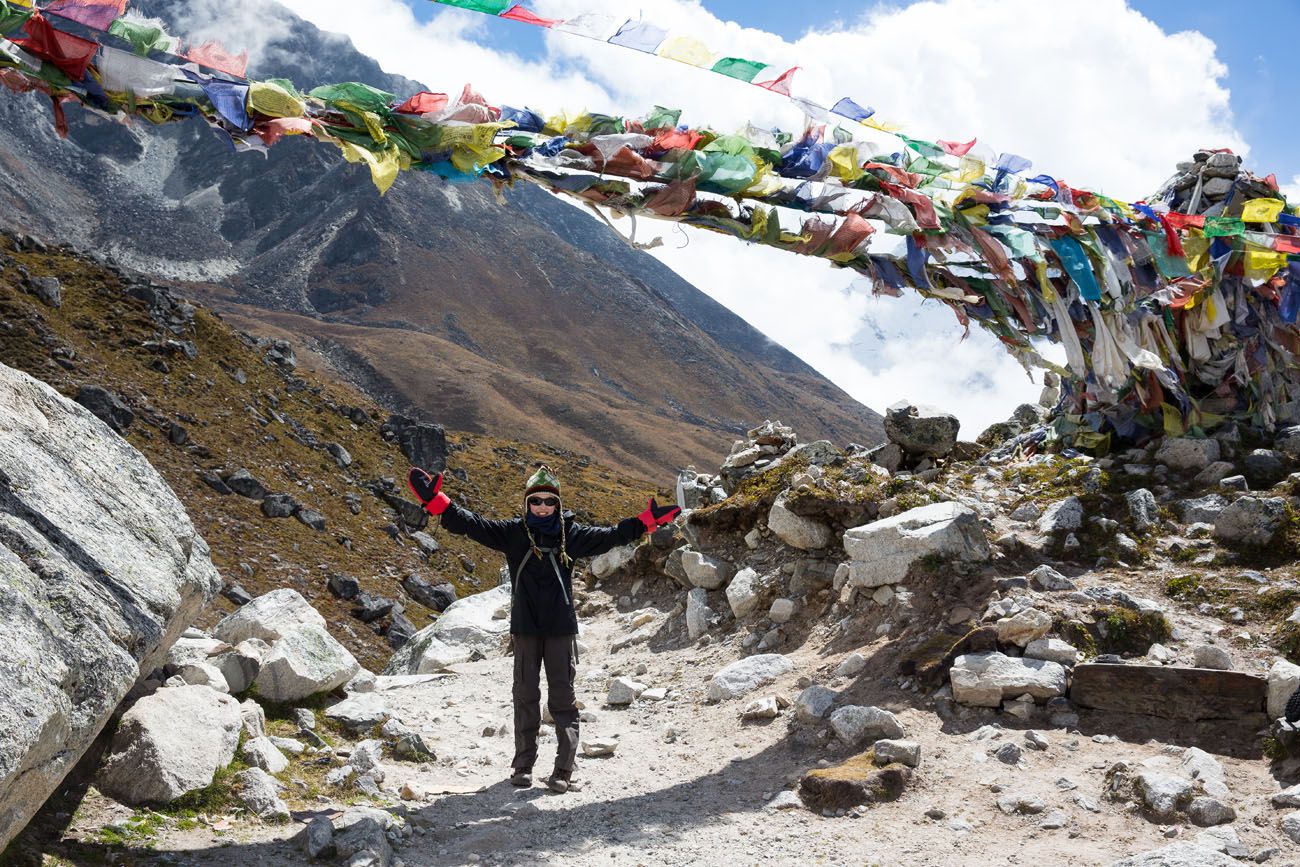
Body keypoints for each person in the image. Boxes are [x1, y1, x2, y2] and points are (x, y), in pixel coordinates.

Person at [407, 463, 680, 793]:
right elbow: (472, 526)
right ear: (527, 503)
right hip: (525, 628)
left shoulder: (573, 536)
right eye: (535, 501)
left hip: (560, 629)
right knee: (524, 695)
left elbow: (612, 536)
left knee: (562, 699)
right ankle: (523, 766)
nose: (542, 507)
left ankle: (563, 770)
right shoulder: (513, 533)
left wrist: (646, 522)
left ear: (558, 504)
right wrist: (437, 502)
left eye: (549, 501)